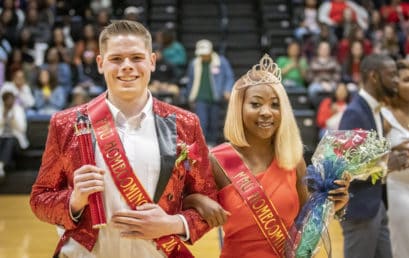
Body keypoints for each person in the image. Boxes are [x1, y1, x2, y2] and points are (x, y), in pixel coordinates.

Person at [29, 20, 218, 258]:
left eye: (136, 58)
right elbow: (39, 199)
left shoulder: (186, 124)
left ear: (152, 61)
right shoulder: (65, 124)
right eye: (116, 59)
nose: (127, 66)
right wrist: (74, 201)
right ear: (100, 63)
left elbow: (208, 200)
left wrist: (173, 224)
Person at [184, 54, 350, 257]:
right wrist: (197, 201)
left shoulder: (292, 158)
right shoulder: (217, 160)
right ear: (239, 108)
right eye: (255, 104)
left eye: (275, 104)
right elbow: (179, 207)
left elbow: (306, 225)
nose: (266, 112)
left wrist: (333, 205)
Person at [338, 53, 400, 258]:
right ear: (373, 76)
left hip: (376, 204)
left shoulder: (375, 110)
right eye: (391, 75)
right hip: (359, 209)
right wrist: (386, 164)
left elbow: (368, 156)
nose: (396, 80)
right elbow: (345, 168)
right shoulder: (354, 112)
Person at [381, 59, 409, 258]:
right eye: (407, 80)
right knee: (401, 247)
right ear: (395, 84)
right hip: (398, 189)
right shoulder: (384, 115)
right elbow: (370, 158)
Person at [185, 39, 234, 146]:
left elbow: (229, 77)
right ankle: (202, 145)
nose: (203, 56)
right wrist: (190, 96)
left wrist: (227, 89)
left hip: (215, 97)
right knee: (202, 123)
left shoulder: (221, 61)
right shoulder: (194, 64)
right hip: (200, 97)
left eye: (205, 54)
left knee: (214, 123)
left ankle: (211, 145)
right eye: (201, 54)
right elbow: (191, 80)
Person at [0, 88, 29, 181]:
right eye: (7, 99)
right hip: (2, 138)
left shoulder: (18, 110)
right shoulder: (1, 110)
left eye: (11, 98)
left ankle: (1, 166)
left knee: (10, 140)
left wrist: (13, 120)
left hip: (16, 141)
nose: (9, 101)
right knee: (4, 139)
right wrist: (3, 118)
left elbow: (22, 128)